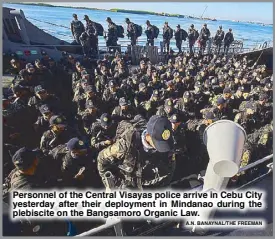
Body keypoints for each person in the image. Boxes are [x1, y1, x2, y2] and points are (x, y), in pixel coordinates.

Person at [97, 115, 175, 189]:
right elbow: (102, 158)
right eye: (158, 144)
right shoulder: (125, 145)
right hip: (125, 184)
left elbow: (170, 167)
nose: (161, 148)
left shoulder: (167, 144)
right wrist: (109, 183)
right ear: (148, 136)